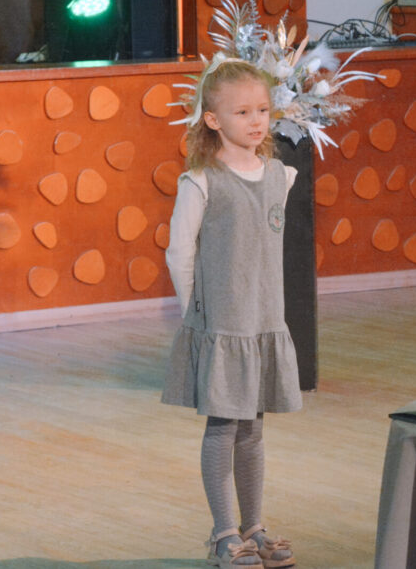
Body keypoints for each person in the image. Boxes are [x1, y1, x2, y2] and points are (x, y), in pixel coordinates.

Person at [161, 58, 301, 568]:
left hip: (263, 323)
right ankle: (224, 533)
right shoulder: (202, 181)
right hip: (223, 325)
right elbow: (180, 253)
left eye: (262, 109)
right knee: (223, 428)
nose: (256, 120)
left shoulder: (281, 176)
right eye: (242, 112)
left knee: (253, 429)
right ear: (213, 119)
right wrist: (197, 316)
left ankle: (254, 526)